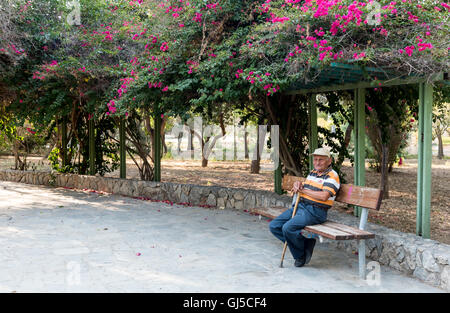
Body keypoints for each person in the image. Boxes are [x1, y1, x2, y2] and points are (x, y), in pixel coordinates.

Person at [269, 147, 340, 267]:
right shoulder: (313, 173)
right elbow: (305, 187)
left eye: (321, 160)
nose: (317, 162)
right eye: (315, 159)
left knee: (287, 228)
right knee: (274, 226)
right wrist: (298, 184)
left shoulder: (332, 176)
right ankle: (305, 244)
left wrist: (303, 190)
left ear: (329, 161)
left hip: (316, 211)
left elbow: (324, 196)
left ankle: (299, 256)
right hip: (301, 207)